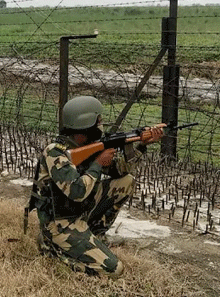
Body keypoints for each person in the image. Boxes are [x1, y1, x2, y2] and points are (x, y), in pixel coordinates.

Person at [32, 96, 163, 278]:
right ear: (86, 123)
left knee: (126, 182)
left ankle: (95, 234)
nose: (101, 124)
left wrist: (141, 145)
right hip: (61, 222)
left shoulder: (91, 145)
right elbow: (77, 191)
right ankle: (51, 247)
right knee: (114, 270)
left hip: (80, 211)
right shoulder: (55, 152)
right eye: (99, 120)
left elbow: (119, 171)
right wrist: (98, 164)